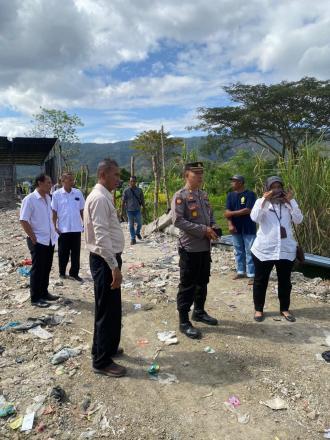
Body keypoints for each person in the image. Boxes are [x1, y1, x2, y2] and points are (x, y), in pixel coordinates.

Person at [84, 158, 126, 377]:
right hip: (104, 261)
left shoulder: (103, 195)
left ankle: (105, 348)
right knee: (106, 312)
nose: (118, 179)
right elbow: (101, 237)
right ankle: (101, 362)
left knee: (110, 309)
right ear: (103, 175)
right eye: (116, 175)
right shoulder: (99, 198)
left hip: (107, 260)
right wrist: (114, 266)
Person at [172, 162, 219, 339]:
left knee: (202, 281)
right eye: (196, 173)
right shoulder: (180, 196)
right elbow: (178, 221)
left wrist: (213, 226)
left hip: (204, 247)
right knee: (187, 285)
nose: (200, 176)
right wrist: (203, 230)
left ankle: (198, 311)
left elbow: (210, 216)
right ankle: (184, 321)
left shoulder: (203, 195)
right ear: (186, 176)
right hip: (189, 248)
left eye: (201, 173)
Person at [250, 176, 303, 323]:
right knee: (260, 281)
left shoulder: (289, 203)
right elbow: (255, 218)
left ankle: (284, 309)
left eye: (279, 187)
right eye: (273, 187)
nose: (276, 190)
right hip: (264, 250)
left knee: (285, 281)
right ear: (267, 189)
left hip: (285, 250)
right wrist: (264, 200)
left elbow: (298, 220)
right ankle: (259, 309)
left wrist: (290, 202)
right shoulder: (260, 202)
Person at [19, 173, 59, 308]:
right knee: (37, 269)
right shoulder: (30, 199)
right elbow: (23, 220)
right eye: (48, 182)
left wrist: (54, 230)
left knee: (46, 267)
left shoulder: (48, 198)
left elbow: (49, 217)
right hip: (37, 240)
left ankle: (44, 292)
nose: (50, 185)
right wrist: (32, 236)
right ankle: (35, 298)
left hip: (49, 239)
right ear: (39, 183)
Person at [51, 172, 85, 281]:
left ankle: (74, 273)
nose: (72, 182)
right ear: (63, 181)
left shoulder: (78, 193)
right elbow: (54, 212)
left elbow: (82, 210)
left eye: (72, 179)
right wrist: (54, 226)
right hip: (63, 229)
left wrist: (85, 223)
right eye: (70, 180)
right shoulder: (56, 194)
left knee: (76, 253)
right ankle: (62, 272)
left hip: (76, 228)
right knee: (63, 253)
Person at [225, 175, 257, 285]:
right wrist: (230, 224)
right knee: (238, 250)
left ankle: (252, 274)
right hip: (235, 228)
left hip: (249, 227)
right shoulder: (230, 195)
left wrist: (232, 213)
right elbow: (227, 212)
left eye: (234, 181)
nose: (232, 183)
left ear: (240, 182)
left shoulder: (250, 194)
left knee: (250, 250)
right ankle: (240, 271)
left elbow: (248, 210)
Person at [121, 176, 145, 245]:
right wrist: (122, 212)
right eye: (131, 181)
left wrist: (144, 208)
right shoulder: (126, 191)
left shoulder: (139, 190)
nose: (132, 182)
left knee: (140, 223)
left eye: (134, 181)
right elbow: (123, 202)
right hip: (129, 210)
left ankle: (137, 232)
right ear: (129, 182)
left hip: (137, 210)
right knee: (131, 225)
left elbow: (142, 200)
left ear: (136, 182)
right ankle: (133, 238)